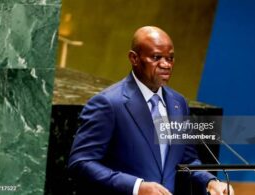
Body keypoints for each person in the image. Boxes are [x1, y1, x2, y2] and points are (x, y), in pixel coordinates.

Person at [68, 26, 234, 195]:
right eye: (156, 57)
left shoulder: (178, 103)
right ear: (134, 58)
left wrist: (210, 182)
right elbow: (81, 162)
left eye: (170, 58)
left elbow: (187, 159)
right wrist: (136, 187)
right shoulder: (108, 103)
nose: (166, 64)